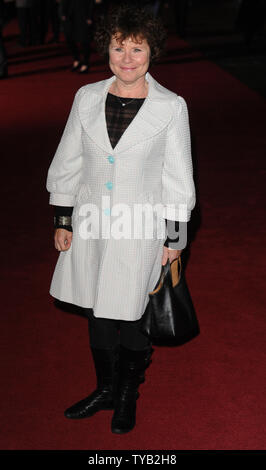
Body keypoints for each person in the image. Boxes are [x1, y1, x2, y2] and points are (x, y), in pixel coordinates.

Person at [46, 4, 196, 434]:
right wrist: (63, 218)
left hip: (142, 229)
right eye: (118, 48)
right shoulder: (87, 97)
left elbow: (179, 179)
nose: (126, 58)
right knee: (96, 311)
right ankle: (106, 389)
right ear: (105, 49)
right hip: (91, 223)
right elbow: (68, 161)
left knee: (130, 314)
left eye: (137, 48)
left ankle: (127, 395)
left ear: (152, 52)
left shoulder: (171, 107)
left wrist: (175, 239)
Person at [61, 0, 94, 73]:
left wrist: (90, 16)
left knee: (84, 39)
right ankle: (77, 59)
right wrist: (63, 12)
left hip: (83, 14)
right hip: (70, 15)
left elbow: (91, 3)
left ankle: (86, 63)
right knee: (69, 39)